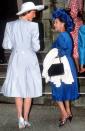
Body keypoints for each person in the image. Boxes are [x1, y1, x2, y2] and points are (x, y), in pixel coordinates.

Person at [1, 2, 44, 129]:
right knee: (29, 89)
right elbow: (37, 47)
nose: (35, 14)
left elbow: (6, 45)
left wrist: (16, 44)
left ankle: (20, 118)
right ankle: (25, 119)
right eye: (34, 12)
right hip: (30, 59)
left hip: (16, 58)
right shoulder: (34, 26)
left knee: (18, 89)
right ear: (28, 12)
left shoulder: (10, 25)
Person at [43, 8, 79, 127]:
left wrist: (52, 53)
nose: (54, 24)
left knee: (58, 89)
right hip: (67, 65)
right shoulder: (66, 35)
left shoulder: (63, 36)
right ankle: (68, 111)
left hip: (61, 65)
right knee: (65, 89)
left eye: (56, 22)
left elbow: (61, 52)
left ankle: (64, 113)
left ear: (63, 23)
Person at [68, 0, 84, 72]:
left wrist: (65, 14)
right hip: (79, 23)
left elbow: (73, 14)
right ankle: (80, 68)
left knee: (75, 47)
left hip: (74, 25)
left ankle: (78, 69)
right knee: (79, 45)